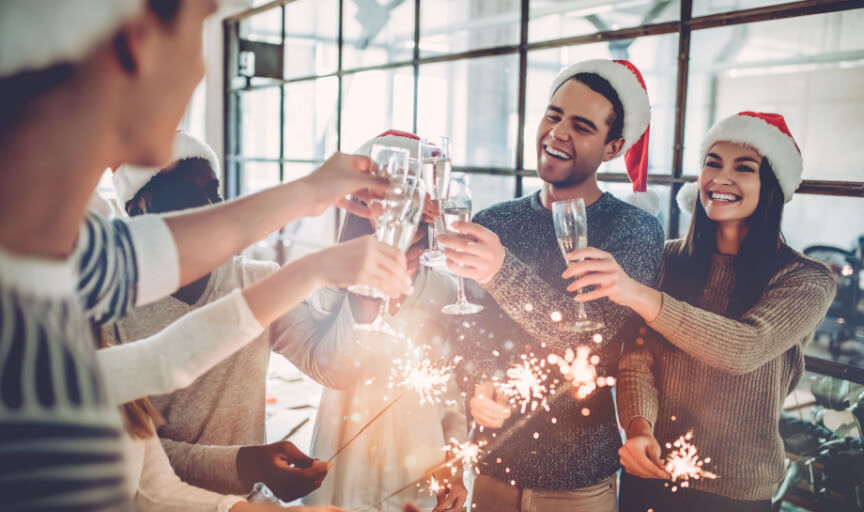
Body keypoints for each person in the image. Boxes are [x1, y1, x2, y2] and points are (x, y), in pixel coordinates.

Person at [0, 1, 407, 509]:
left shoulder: (67, 255)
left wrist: (317, 234)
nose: (202, 69)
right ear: (137, 40)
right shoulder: (40, 277)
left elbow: (169, 357)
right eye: (200, 22)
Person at [106, 131, 408, 501]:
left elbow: (333, 367)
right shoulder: (106, 313)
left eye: (214, 193)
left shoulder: (254, 278)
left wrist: (363, 284)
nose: (208, 205)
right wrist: (243, 465)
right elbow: (131, 459)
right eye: (185, 193)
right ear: (137, 208)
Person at [560, 112, 836, 511]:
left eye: (744, 168)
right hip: (649, 471)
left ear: (772, 186)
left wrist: (637, 294)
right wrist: (638, 428)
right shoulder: (669, 257)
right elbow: (638, 360)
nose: (721, 178)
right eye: (712, 163)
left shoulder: (806, 279)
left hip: (735, 491)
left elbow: (743, 348)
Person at [438, 59, 665, 511]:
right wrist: (478, 383)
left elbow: (588, 336)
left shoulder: (634, 230)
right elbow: (467, 330)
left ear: (613, 146)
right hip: (493, 468)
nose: (557, 132)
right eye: (553, 114)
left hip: (576, 480)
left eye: (581, 125)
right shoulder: (495, 220)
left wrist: (501, 270)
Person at [302, 131, 469, 512]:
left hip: (418, 478)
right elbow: (323, 363)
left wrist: (456, 465)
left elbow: (453, 396)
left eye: (408, 196)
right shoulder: (332, 281)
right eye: (380, 198)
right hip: (343, 478)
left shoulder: (445, 290)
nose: (394, 210)